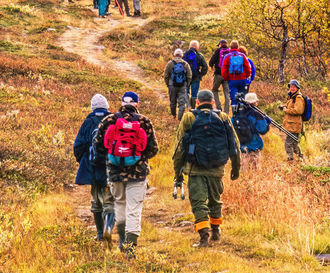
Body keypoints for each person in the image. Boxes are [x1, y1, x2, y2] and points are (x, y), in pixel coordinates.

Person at [173, 90, 241, 247]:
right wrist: (235, 167)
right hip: (217, 168)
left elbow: (179, 148)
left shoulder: (189, 117)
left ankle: (204, 237)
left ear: (197, 102)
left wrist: (178, 172)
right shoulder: (223, 117)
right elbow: (234, 143)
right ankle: (216, 231)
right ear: (212, 102)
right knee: (215, 200)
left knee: (198, 202)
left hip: (195, 169)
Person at [94, 91, 158, 256]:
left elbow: (98, 147)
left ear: (122, 103)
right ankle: (130, 248)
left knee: (119, 204)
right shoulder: (144, 121)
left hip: (115, 173)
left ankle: (122, 240)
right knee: (134, 209)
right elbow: (153, 149)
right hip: (138, 174)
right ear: (137, 104)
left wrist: (112, 158)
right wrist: (138, 157)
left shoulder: (109, 120)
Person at [73, 94, 113, 241]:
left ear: (92, 107)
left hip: (94, 167)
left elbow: (78, 146)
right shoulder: (113, 120)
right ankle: (109, 228)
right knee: (110, 200)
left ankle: (100, 234)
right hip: (111, 167)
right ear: (107, 106)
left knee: (96, 202)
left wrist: (84, 162)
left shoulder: (88, 122)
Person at [233, 92, 268, 169]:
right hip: (254, 145)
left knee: (244, 173)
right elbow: (262, 130)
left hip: (242, 147)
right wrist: (266, 122)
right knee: (255, 172)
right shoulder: (256, 114)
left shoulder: (238, 113)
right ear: (255, 102)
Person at [222, 41, 252, 109]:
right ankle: (242, 113)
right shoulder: (243, 56)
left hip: (232, 80)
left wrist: (227, 78)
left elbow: (224, 70)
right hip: (242, 80)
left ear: (230, 47)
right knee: (242, 98)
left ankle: (235, 113)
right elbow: (248, 67)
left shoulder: (227, 57)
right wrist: (246, 76)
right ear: (238, 47)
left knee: (233, 97)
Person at [281, 79, 306, 162]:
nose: (292, 88)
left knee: (288, 143)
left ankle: (290, 161)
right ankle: (301, 158)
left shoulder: (298, 97)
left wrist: (286, 110)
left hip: (295, 125)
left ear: (297, 87)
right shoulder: (292, 96)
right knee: (294, 143)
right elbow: (292, 106)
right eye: (291, 87)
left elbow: (298, 110)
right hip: (292, 124)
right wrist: (284, 106)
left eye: (294, 87)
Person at [164, 48, 192, 120]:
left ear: (174, 55)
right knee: (182, 103)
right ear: (182, 55)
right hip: (182, 85)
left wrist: (168, 84)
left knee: (172, 102)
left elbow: (166, 75)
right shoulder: (185, 64)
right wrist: (187, 84)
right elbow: (189, 75)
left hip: (172, 85)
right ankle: (180, 119)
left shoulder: (170, 63)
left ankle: (173, 116)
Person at [183, 40, 209, 108]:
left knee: (186, 92)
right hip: (196, 77)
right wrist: (200, 74)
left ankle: (187, 107)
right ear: (196, 47)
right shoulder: (199, 55)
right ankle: (193, 108)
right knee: (194, 94)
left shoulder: (184, 54)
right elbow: (205, 67)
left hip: (186, 77)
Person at [208, 39, 231, 114]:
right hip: (227, 75)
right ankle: (227, 112)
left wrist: (212, 66)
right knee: (227, 93)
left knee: (214, 90)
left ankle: (219, 108)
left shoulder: (218, 51)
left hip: (218, 74)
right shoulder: (230, 52)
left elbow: (211, 61)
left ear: (220, 44)